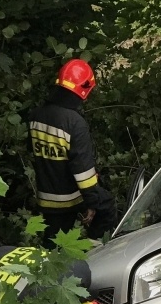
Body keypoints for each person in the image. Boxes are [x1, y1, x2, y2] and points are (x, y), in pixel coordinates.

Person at [29, 59, 118, 247]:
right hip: (69, 199)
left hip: (46, 197)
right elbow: (83, 173)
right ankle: (94, 250)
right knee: (107, 206)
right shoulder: (74, 123)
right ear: (84, 89)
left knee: (53, 245)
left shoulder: (36, 115)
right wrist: (92, 203)